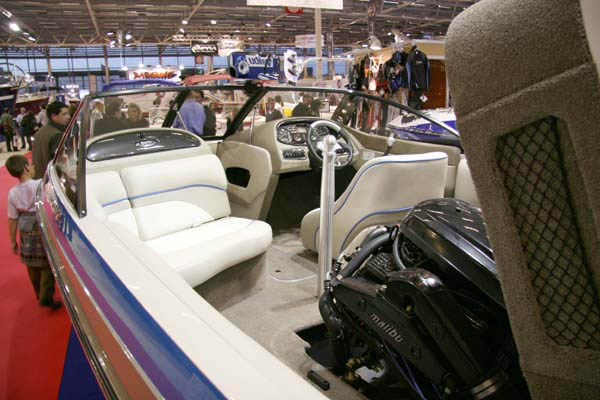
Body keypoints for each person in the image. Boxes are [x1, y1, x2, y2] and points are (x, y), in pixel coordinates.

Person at [6, 155, 62, 310]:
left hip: (25, 230)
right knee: (47, 263)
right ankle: (46, 295)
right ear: (26, 168)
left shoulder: (12, 193)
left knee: (31, 264)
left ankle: (38, 293)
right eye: (30, 165)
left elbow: (12, 219)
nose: (33, 167)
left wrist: (13, 241)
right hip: (40, 225)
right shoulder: (40, 184)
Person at [32, 101, 70, 180]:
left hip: (39, 177)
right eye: (64, 114)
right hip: (53, 179)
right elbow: (61, 162)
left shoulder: (39, 132)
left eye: (68, 114)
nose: (68, 117)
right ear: (54, 116)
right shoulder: (57, 135)